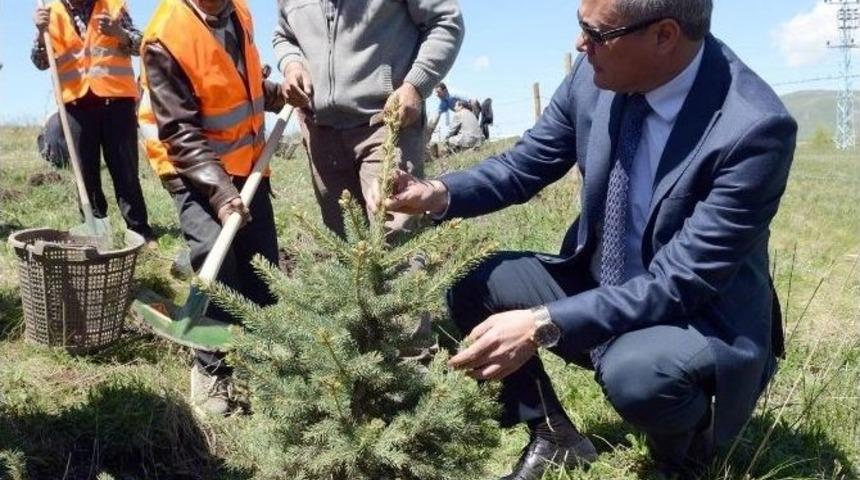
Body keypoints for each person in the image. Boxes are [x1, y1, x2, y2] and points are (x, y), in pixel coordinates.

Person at [373, 0, 797, 477]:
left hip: (699, 315)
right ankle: (553, 434)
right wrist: (434, 193)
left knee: (637, 375)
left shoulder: (753, 128)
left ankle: (688, 452)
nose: (580, 44)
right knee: (475, 281)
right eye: (581, 27)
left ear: (664, 35)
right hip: (604, 283)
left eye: (596, 34)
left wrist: (541, 323)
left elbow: (681, 283)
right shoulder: (596, 76)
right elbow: (523, 165)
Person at [138, 0, 286, 415]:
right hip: (191, 169)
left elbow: (240, 83)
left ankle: (263, 368)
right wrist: (221, 194)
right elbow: (180, 132)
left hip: (250, 165)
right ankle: (211, 370)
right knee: (218, 267)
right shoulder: (164, 35)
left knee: (262, 269)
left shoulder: (239, 12)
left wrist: (277, 95)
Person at [275, 0, 464, 239]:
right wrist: (292, 65)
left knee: (394, 236)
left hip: (386, 123)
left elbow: (446, 20)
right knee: (345, 240)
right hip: (320, 132)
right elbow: (284, 35)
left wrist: (416, 85)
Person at [32, 0, 156, 246]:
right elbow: (40, 62)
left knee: (126, 171)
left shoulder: (112, 6)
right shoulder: (50, 13)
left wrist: (119, 33)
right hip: (76, 107)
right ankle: (96, 233)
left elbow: (142, 45)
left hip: (116, 102)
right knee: (85, 175)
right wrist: (39, 31)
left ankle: (141, 232)